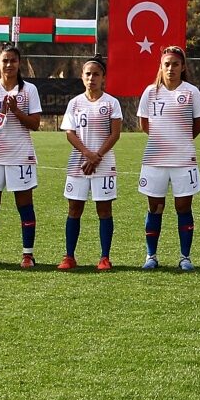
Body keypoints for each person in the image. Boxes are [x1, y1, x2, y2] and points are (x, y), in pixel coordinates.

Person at [137, 45, 200, 271]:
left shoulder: (191, 92)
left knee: (183, 208)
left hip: (183, 160)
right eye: (167, 64)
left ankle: (185, 257)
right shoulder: (150, 92)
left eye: (175, 64)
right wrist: (163, 140)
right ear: (161, 65)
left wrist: (179, 141)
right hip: (155, 160)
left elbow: (198, 124)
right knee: (155, 208)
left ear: (183, 66)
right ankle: (151, 255)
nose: (171, 68)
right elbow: (144, 123)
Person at [0, 44, 42, 268]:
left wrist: (15, 111)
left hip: (20, 157)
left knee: (24, 205)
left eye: (13, 60)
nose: (9, 65)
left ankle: (28, 255)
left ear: (19, 63)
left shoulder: (29, 90)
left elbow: (35, 124)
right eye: (5, 60)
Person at [60, 57, 121, 271]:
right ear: (82, 77)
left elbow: (115, 134)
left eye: (96, 74)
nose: (91, 78)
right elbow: (69, 132)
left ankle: (105, 257)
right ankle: (69, 256)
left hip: (104, 164)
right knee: (74, 208)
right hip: (78, 162)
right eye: (88, 74)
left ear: (103, 77)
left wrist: (98, 156)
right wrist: (87, 154)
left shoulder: (111, 103)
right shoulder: (75, 103)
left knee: (104, 209)